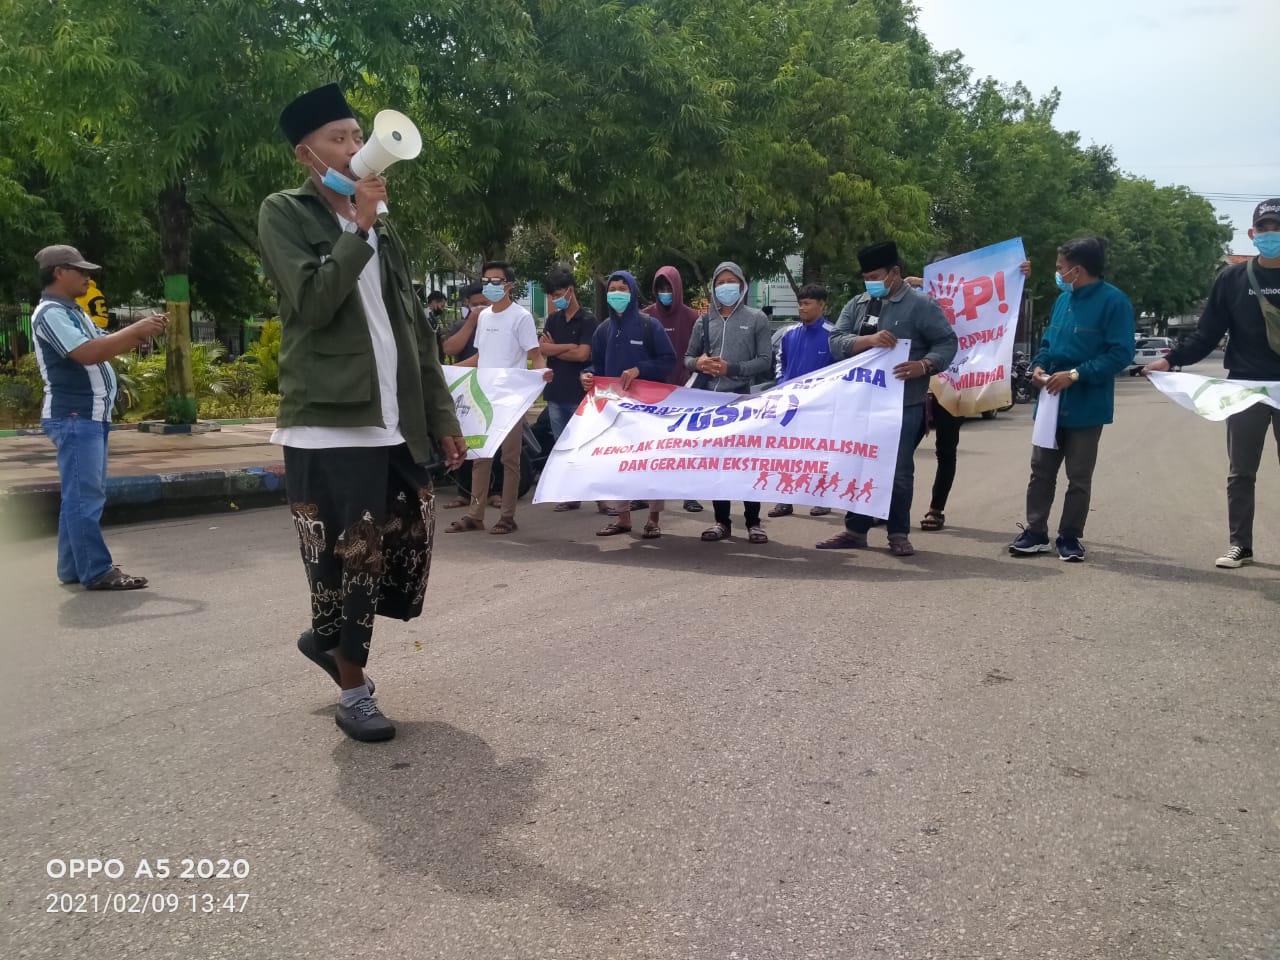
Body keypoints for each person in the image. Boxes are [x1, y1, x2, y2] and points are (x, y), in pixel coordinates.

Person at [258, 83, 467, 742]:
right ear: (306, 154)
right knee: (355, 555)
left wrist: (442, 415)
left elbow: (413, 333)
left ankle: (330, 642)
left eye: (357, 135)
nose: (355, 148)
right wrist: (358, 226)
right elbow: (314, 302)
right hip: (328, 420)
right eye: (339, 139)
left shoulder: (388, 231)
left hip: (392, 420)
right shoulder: (284, 213)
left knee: (404, 540)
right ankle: (354, 689)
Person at [1144, 198, 1280, 569]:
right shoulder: (1232, 279)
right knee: (1240, 472)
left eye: (1277, 228)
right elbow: (1207, 334)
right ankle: (1241, 545)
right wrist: (1170, 359)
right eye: (1265, 228)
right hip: (1244, 387)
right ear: (1252, 234)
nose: (1271, 235)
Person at [32, 244, 167, 591]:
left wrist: (137, 335)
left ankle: (74, 567)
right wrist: (135, 331)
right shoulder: (50, 313)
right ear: (59, 272)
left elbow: (102, 342)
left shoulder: (73, 311)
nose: (88, 277)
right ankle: (97, 570)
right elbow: (87, 353)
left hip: (88, 416)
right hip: (75, 417)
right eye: (81, 271)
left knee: (78, 496)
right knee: (86, 497)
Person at [817, 241, 958, 557]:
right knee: (858, 466)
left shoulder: (921, 306)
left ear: (895, 272)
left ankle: (898, 533)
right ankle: (855, 531)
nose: (871, 281)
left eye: (876, 275)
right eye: (866, 276)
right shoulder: (858, 304)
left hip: (903, 404)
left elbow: (948, 343)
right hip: (861, 403)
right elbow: (836, 342)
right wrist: (868, 340)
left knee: (898, 472)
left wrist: (923, 365)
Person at [1008, 236, 1134, 562]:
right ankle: (1035, 532)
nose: (1058, 273)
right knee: (1041, 470)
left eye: (1060, 268)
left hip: (1087, 405)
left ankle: (1070, 536)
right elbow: (1049, 345)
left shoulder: (1114, 302)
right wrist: (1038, 367)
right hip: (1051, 401)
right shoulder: (1063, 301)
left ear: (1077, 270)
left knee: (1078, 476)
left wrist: (1076, 374)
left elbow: (1121, 353)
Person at [906, 258, 1032, 532]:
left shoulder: (972, 302)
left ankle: (935, 509)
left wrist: (1016, 276)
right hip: (919, 385)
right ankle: (891, 507)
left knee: (945, 450)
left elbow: (1001, 304)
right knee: (902, 451)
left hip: (954, 384)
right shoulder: (915, 299)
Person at [445, 260, 551, 536]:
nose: (490, 286)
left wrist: (541, 375)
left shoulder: (521, 317)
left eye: (496, 281)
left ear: (509, 285)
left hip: (509, 399)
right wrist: (447, 371)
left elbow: (535, 354)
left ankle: (507, 516)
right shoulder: (484, 317)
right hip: (484, 397)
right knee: (481, 455)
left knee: (510, 458)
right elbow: (481, 357)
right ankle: (475, 514)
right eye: (486, 280)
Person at [684, 262, 773, 544]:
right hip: (711, 403)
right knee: (717, 465)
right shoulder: (703, 321)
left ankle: (753, 522)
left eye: (731, 281)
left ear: (742, 284)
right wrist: (698, 362)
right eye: (720, 282)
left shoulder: (757, 318)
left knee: (747, 463)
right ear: (713, 286)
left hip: (745, 400)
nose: (726, 287)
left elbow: (764, 361)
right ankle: (721, 521)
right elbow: (687, 358)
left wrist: (731, 369)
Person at [583, 271, 676, 538]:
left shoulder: (650, 326)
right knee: (619, 463)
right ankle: (622, 517)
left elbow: (668, 361)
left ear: (633, 292)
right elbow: (596, 367)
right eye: (612, 289)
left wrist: (640, 369)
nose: (616, 293)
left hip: (648, 408)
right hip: (615, 409)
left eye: (622, 288)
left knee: (650, 463)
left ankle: (653, 519)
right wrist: (587, 376)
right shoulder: (603, 331)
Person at [768, 284, 835, 519]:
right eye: (800, 303)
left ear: (821, 305)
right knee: (787, 453)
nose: (801, 308)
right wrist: (781, 382)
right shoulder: (789, 333)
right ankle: (785, 500)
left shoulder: (833, 335)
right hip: (790, 404)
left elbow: (840, 369)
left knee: (818, 452)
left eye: (807, 303)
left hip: (820, 405)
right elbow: (780, 362)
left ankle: (821, 498)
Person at [643, 265, 704, 514]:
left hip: (684, 390)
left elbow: (700, 353)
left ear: (677, 288)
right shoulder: (646, 316)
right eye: (660, 288)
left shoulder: (692, 318)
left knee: (686, 446)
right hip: (652, 391)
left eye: (669, 287)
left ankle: (689, 494)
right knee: (651, 447)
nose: (665, 292)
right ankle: (645, 493)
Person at [540, 266, 598, 511]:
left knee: (586, 446)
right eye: (552, 296)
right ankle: (570, 495)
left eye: (558, 294)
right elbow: (543, 350)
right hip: (555, 394)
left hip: (580, 395)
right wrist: (568, 347)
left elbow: (584, 353)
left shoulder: (588, 320)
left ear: (570, 291)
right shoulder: (552, 320)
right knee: (562, 447)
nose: (555, 300)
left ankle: (600, 497)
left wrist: (557, 348)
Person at [442, 282, 485, 363]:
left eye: (484, 304)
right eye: (475, 304)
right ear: (468, 304)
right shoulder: (461, 325)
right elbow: (449, 350)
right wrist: (470, 324)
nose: (479, 307)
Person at [423, 288, 448, 361]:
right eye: (442, 306)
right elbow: (432, 332)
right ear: (434, 302)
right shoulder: (427, 315)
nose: (442, 309)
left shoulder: (431, 315)